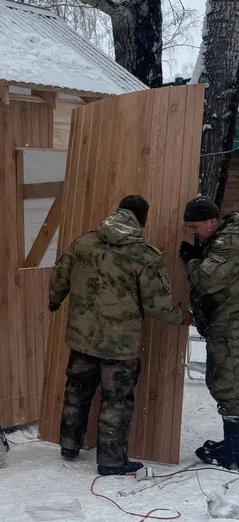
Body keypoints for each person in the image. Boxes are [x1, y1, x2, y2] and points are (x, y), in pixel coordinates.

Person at [49, 195, 185, 475]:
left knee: (76, 392)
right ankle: (111, 462)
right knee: (116, 401)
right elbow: (157, 304)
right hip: (119, 347)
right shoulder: (144, 255)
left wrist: (54, 300)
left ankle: (69, 444)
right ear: (142, 220)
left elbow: (61, 275)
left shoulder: (84, 242)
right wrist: (183, 317)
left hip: (82, 338)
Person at [180, 196, 239, 469]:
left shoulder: (229, 242)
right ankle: (233, 445)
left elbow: (205, 280)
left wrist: (191, 261)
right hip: (227, 323)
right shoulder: (223, 236)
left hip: (231, 327)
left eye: (195, 226)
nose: (194, 232)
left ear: (211, 221)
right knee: (226, 384)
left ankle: (234, 454)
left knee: (228, 387)